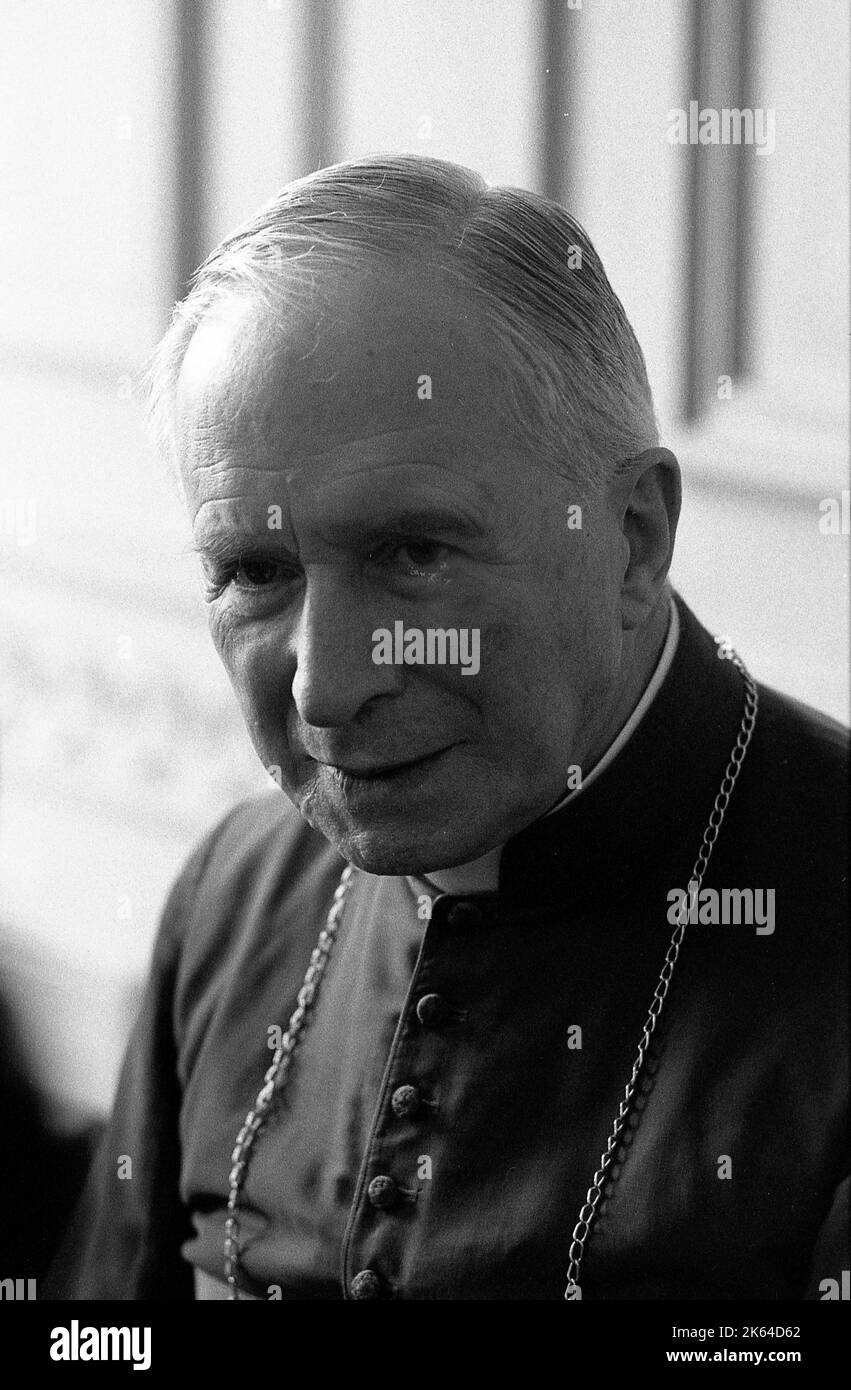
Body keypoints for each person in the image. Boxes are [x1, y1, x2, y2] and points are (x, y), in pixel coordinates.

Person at [47, 155, 848, 1301]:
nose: (325, 689)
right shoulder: (233, 891)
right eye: (254, 571)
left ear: (631, 539)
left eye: (411, 554)